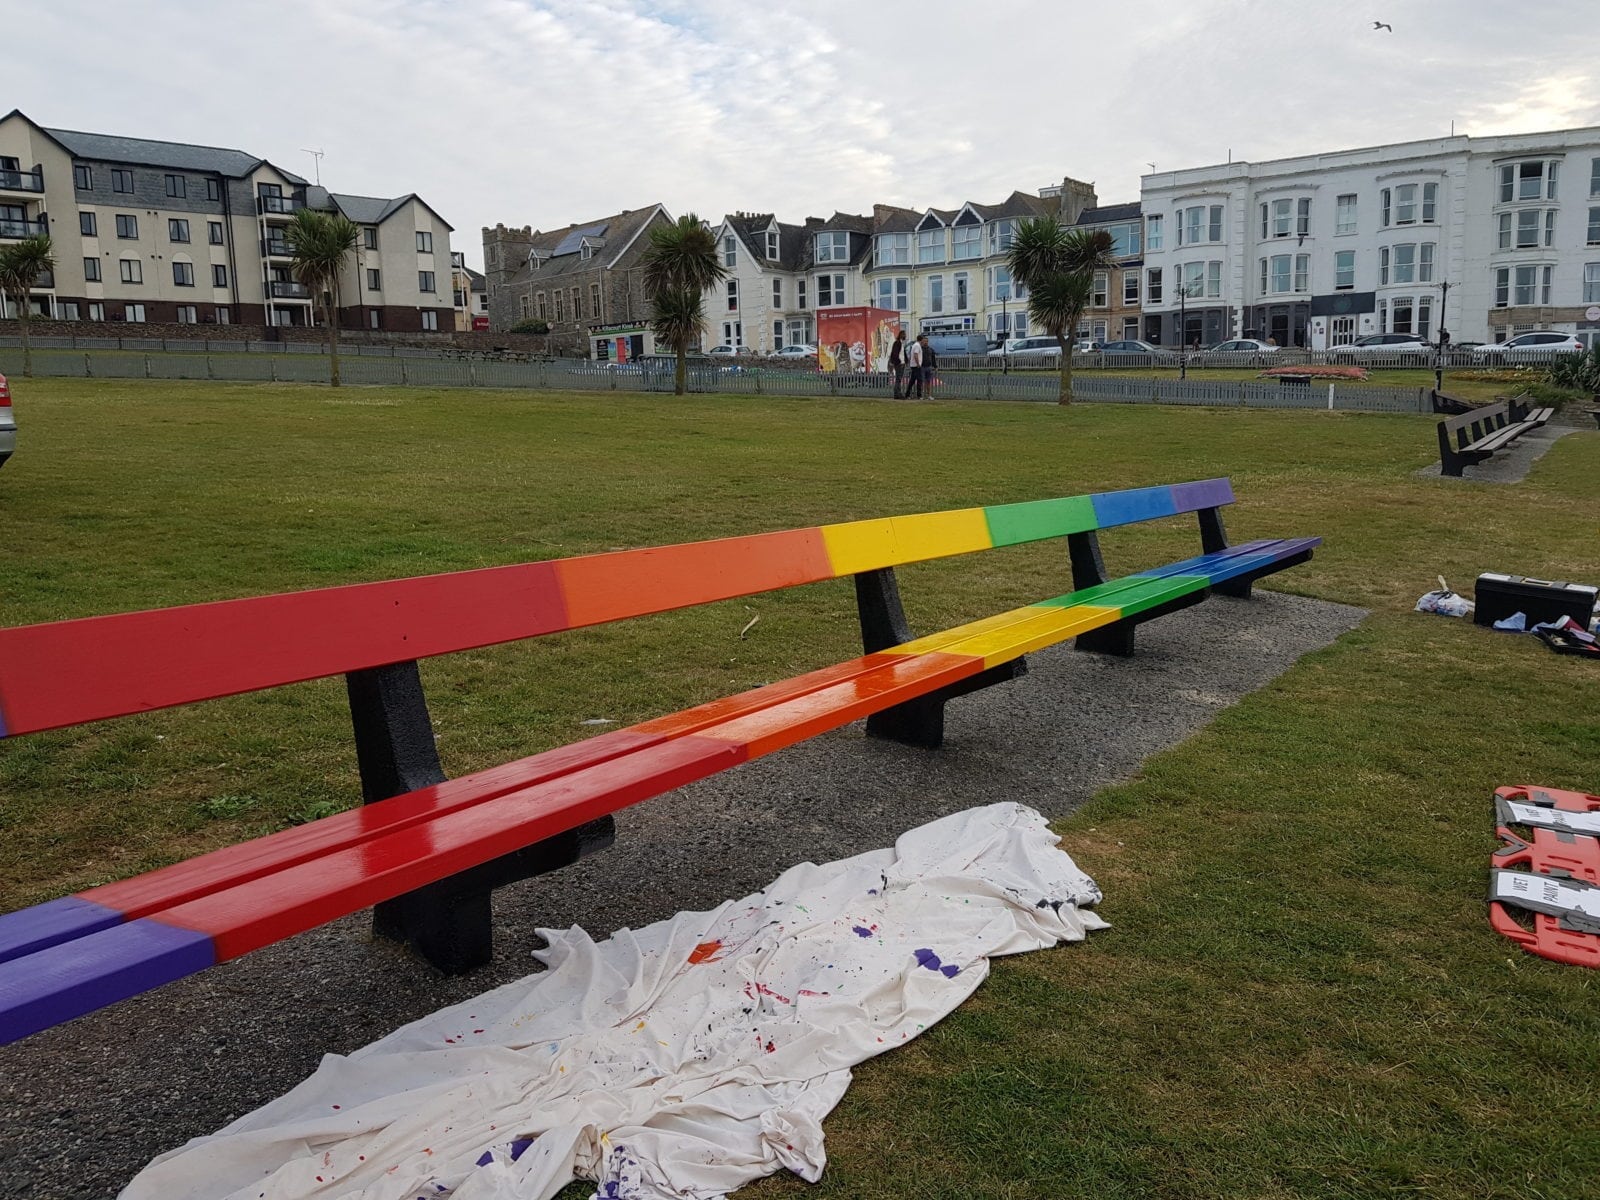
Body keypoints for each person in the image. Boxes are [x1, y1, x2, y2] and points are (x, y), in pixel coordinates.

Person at [905, 333, 925, 398]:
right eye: (923, 340)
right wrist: (918, 364)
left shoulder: (915, 345)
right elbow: (916, 355)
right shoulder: (917, 346)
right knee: (919, 380)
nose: (924, 342)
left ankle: (907, 394)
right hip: (916, 366)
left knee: (912, 380)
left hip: (913, 365)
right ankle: (919, 395)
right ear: (921, 340)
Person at [889, 328, 907, 398]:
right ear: (901, 335)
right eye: (904, 334)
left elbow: (903, 353)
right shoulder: (897, 343)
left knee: (898, 379)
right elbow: (895, 353)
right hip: (899, 364)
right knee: (898, 379)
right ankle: (898, 394)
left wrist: (905, 360)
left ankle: (896, 394)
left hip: (902, 363)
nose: (905, 336)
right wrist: (899, 361)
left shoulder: (901, 343)